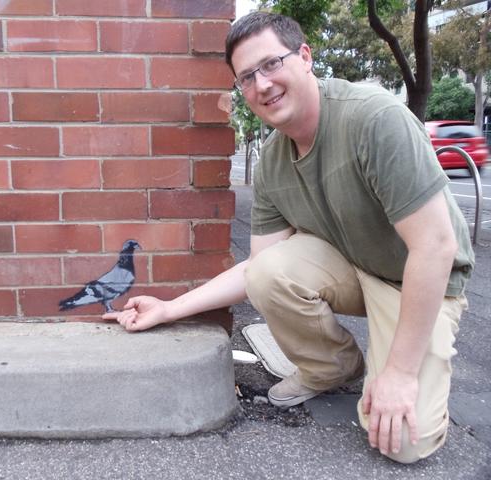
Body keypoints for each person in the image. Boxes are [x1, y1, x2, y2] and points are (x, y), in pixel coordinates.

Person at [103, 11, 474, 464]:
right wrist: (170, 308)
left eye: (271, 64)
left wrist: (399, 372)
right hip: (354, 265)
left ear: (305, 57)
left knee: (403, 442)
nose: (262, 84)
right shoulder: (273, 163)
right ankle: (332, 366)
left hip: (416, 278)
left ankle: (401, 360)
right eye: (247, 77)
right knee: (270, 271)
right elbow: (259, 270)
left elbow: (435, 246)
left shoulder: (373, 118)